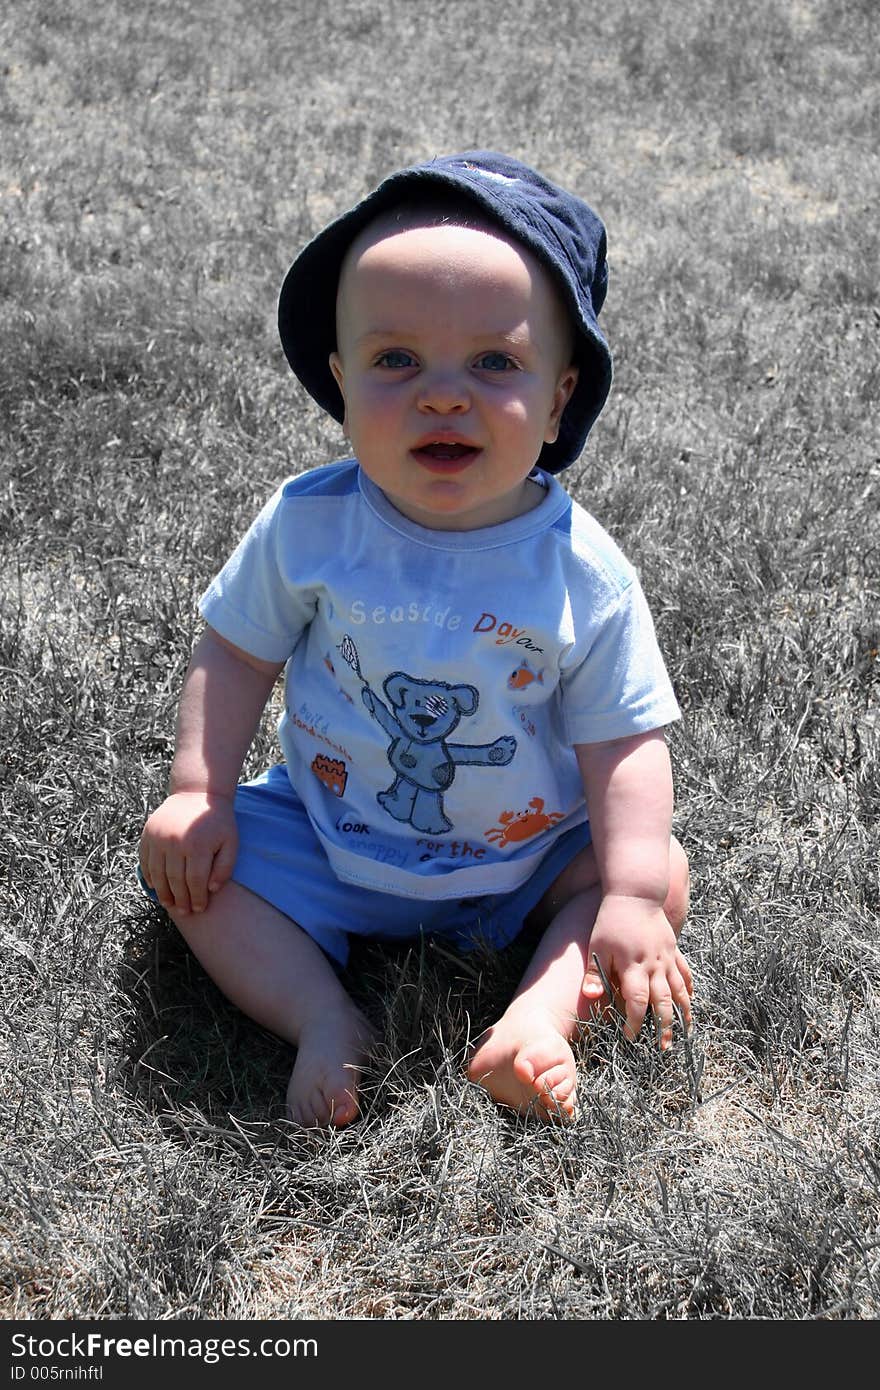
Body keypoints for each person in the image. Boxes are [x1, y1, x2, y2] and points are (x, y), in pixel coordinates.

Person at [139, 150, 693, 1129]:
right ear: (341, 381)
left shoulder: (581, 570)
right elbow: (234, 650)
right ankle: (322, 1015)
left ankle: (536, 1017)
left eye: (494, 362)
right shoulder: (309, 524)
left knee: (647, 877)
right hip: (326, 833)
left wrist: (635, 889)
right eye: (397, 361)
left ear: (560, 397)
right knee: (187, 874)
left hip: (520, 861)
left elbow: (623, 737)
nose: (444, 394)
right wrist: (199, 791)